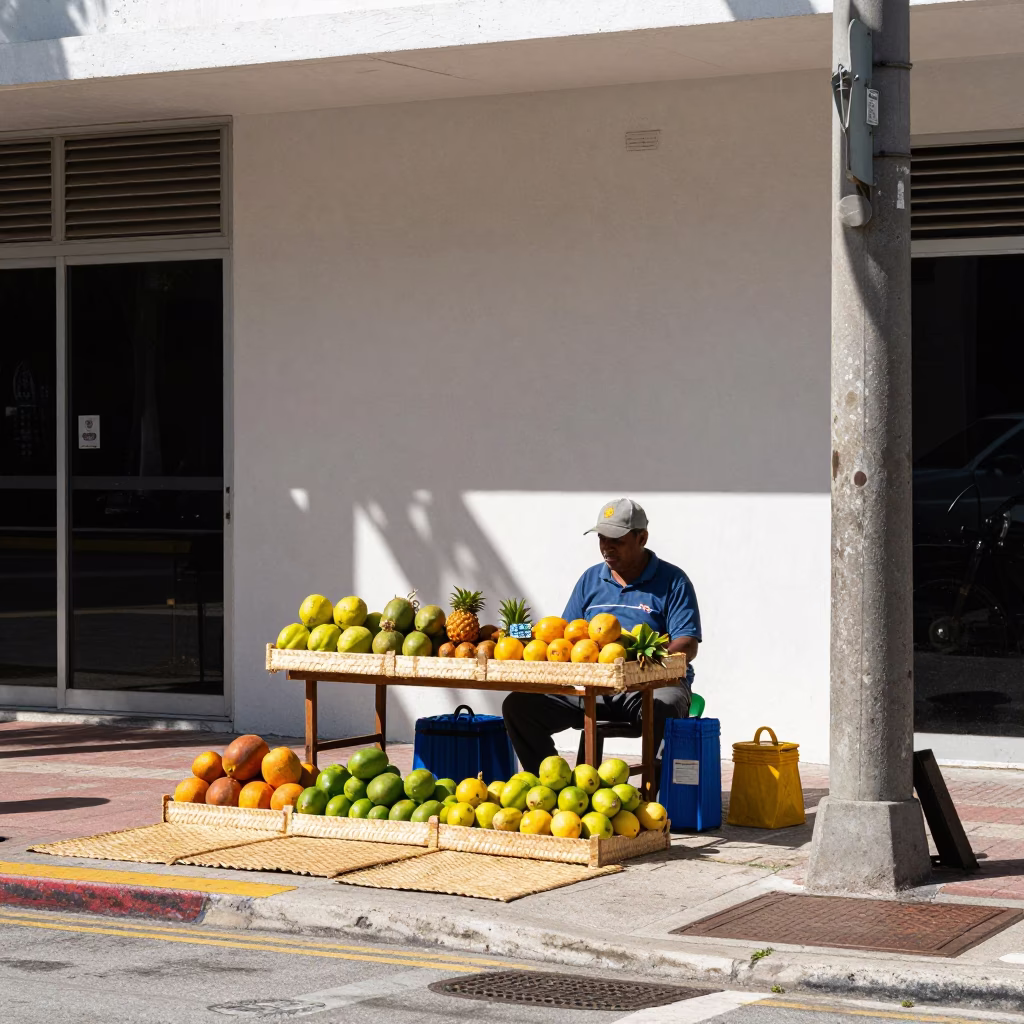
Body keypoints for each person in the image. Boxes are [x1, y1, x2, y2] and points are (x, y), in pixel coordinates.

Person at [502, 498, 701, 775]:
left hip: (646, 687)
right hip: (588, 689)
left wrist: (645, 660)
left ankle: (652, 800)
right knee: (518, 706)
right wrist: (511, 633)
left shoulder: (673, 581)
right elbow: (560, 635)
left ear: (641, 538)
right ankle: (552, 785)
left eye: (616, 539)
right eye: (602, 538)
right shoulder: (590, 579)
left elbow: (688, 643)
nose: (607, 547)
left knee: (665, 706)